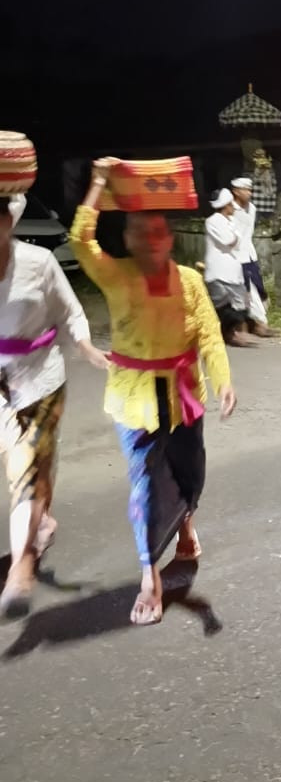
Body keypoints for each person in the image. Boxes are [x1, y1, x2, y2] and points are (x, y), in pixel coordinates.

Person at [70, 158, 237, 626]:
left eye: (159, 231)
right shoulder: (116, 274)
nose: (150, 239)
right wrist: (99, 181)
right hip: (133, 398)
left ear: (169, 237)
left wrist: (224, 381)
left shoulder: (189, 281)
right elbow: (80, 240)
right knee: (145, 484)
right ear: (127, 239)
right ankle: (150, 574)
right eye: (140, 232)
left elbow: (208, 335)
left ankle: (185, 526)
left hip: (183, 395)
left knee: (190, 474)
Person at [0, 192, 110, 618]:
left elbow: (70, 311)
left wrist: (85, 346)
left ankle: (20, 570)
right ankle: (41, 522)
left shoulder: (39, 262)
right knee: (31, 466)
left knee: (24, 469)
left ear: (10, 220)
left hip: (39, 381)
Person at [204, 190, 252, 347]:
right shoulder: (212, 221)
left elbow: (237, 241)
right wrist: (236, 237)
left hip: (232, 271)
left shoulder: (230, 221)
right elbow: (229, 240)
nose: (233, 207)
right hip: (219, 272)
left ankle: (232, 333)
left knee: (240, 304)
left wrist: (236, 237)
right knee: (222, 305)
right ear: (225, 206)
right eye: (231, 204)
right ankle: (225, 334)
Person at [230, 177, 273, 337]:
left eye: (250, 189)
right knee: (246, 291)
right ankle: (258, 324)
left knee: (258, 288)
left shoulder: (252, 209)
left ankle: (255, 323)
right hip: (235, 256)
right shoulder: (230, 209)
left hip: (250, 254)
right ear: (236, 191)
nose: (249, 193)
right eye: (245, 190)